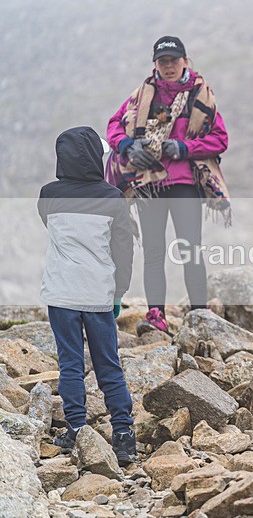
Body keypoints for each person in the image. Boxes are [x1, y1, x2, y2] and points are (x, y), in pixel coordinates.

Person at [106, 36, 228, 334]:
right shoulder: (142, 94)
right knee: (154, 251)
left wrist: (184, 148)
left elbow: (220, 139)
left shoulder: (201, 94)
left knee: (190, 249)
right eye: (163, 61)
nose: (169, 66)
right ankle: (156, 315)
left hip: (185, 183)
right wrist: (126, 145)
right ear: (155, 64)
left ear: (185, 61)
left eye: (174, 60)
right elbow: (114, 125)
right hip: (150, 185)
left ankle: (199, 312)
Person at [38, 126, 138, 465]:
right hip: (98, 294)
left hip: (61, 293)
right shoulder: (111, 197)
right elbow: (124, 249)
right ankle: (123, 435)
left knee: (70, 364)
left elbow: (47, 224)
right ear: (97, 157)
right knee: (108, 364)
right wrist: (119, 291)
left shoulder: (48, 193)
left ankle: (77, 430)